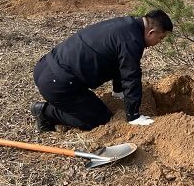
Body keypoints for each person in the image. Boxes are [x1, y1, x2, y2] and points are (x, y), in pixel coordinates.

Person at [30, 10, 173, 132]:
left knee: (93, 108)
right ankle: (45, 112)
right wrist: (133, 116)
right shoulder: (132, 41)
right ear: (151, 32)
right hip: (58, 82)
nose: (158, 42)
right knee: (99, 120)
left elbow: (120, 63)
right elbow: (131, 76)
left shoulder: (127, 25)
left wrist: (119, 91)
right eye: (160, 38)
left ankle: (65, 105)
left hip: (47, 67)